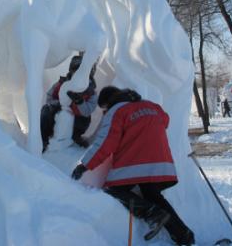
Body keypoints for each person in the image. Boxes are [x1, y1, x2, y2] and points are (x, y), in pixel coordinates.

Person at [71, 86, 195, 245]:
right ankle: (184, 236)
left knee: (113, 190)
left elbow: (105, 143)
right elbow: (166, 120)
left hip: (135, 166)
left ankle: (151, 213)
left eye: (104, 108)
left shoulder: (117, 111)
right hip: (162, 164)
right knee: (152, 195)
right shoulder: (152, 106)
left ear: (108, 103)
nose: (105, 112)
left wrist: (85, 165)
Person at [40, 55, 97, 152]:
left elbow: (88, 111)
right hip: (57, 116)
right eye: (76, 71)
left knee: (81, 121)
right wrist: (59, 104)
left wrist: (79, 102)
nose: (78, 74)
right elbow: (49, 97)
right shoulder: (62, 84)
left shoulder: (90, 91)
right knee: (45, 110)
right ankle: (43, 140)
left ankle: (75, 137)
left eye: (81, 71)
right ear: (71, 71)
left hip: (78, 120)